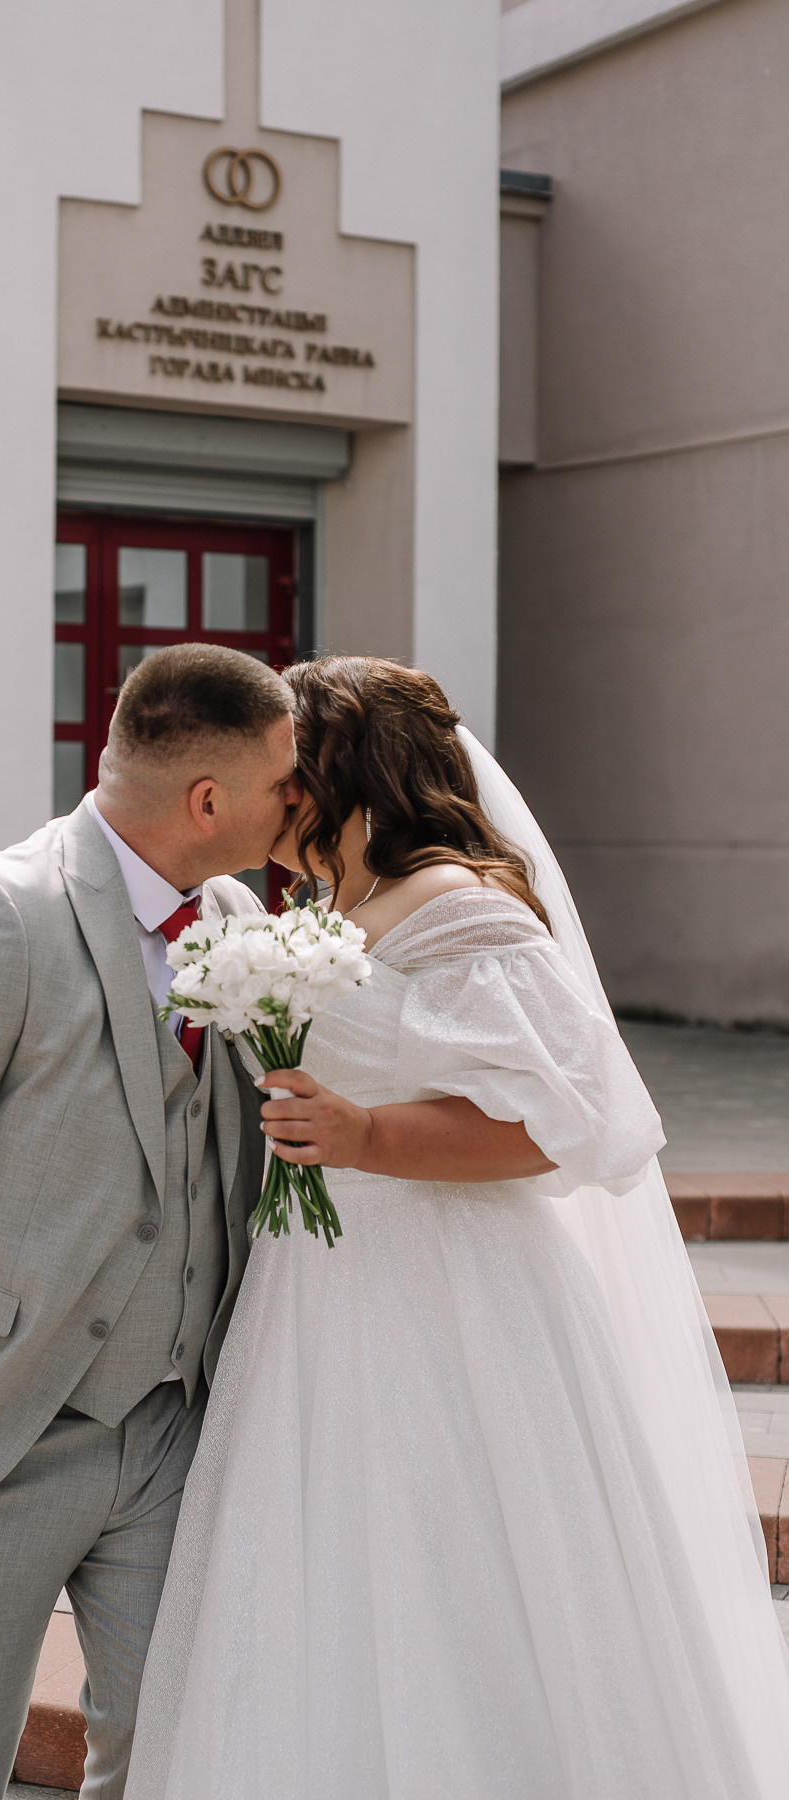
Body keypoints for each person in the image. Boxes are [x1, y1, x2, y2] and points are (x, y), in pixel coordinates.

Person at [124, 655, 789, 1800]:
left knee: (462, 1573)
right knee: (324, 1573)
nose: (273, 798)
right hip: (321, 1288)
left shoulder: (458, 905)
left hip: (454, 1294)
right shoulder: (322, 908)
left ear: (344, 772)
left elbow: (564, 1125)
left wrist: (367, 1137)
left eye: (291, 773)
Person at [0, 643, 302, 1800]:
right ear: (206, 800)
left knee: (175, 1756)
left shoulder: (233, 912)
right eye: (285, 781)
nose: (300, 802)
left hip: (170, 1431)